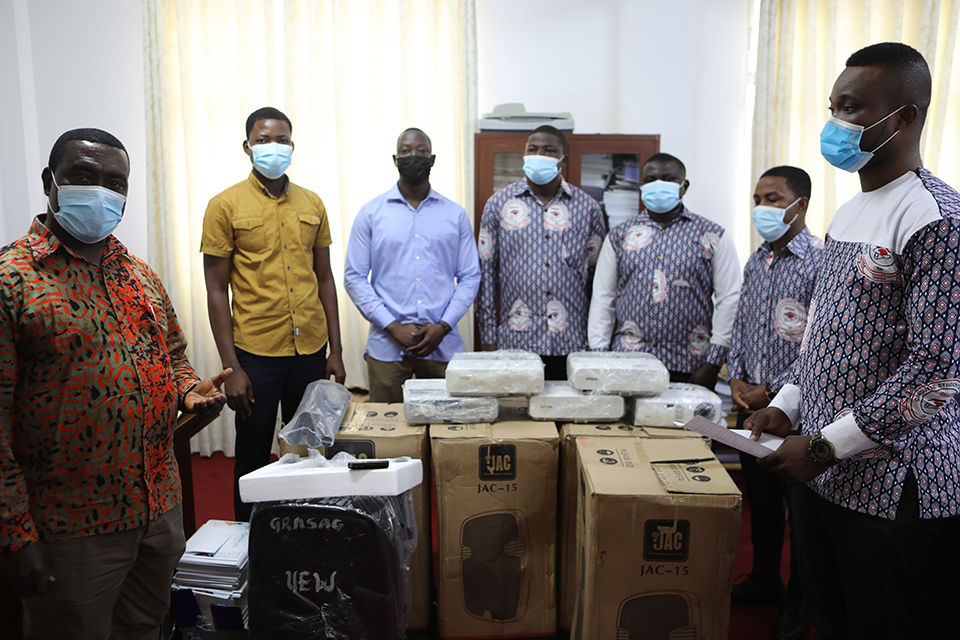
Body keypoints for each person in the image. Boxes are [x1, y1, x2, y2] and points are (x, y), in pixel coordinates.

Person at [749, 42, 960, 640]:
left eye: (852, 108)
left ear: (907, 116)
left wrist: (821, 447)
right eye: (832, 107)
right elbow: (823, 337)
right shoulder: (849, 213)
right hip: (826, 476)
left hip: (894, 488)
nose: (835, 124)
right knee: (832, 619)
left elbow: (936, 376)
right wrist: (785, 408)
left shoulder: (935, 219)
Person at [0, 128, 231, 639]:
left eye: (115, 182)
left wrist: (189, 390)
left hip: (157, 509)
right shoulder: (11, 280)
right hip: (70, 528)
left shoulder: (138, 275)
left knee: (146, 628)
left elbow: (171, 357)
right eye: (83, 177)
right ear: (49, 182)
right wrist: (16, 537)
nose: (100, 191)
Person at [201, 107, 346, 521]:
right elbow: (216, 289)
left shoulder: (312, 202)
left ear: (292, 146)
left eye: (282, 140)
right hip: (256, 354)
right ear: (247, 147)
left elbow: (324, 279)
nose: (273, 148)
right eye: (264, 140)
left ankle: (306, 534)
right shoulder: (224, 205)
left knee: (312, 450)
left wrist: (335, 350)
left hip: (310, 351)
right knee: (252, 455)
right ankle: (249, 542)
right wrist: (232, 369)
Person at [727, 166, 822, 640]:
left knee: (799, 513)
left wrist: (776, 389)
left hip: (798, 411)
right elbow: (742, 327)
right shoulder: (756, 260)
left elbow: (821, 344)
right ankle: (764, 580)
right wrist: (738, 377)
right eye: (757, 198)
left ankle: (798, 602)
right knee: (761, 504)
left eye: (772, 198)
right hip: (753, 410)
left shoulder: (822, 261)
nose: (762, 207)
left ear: (799, 204)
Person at [344, 128, 480, 402]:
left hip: (443, 345)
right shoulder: (371, 213)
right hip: (387, 347)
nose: (413, 156)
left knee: (448, 432)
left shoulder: (454, 214)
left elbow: (470, 277)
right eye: (406, 151)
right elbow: (354, 277)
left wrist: (443, 326)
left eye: (421, 151)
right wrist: (392, 326)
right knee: (389, 432)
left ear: (432, 159)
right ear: (395, 159)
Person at [587, 153, 741, 390]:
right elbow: (603, 299)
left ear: (684, 186)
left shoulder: (712, 236)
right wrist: (599, 356)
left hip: (690, 365)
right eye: (650, 179)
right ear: (640, 187)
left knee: (685, 427)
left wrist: (713, 363)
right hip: (628, 362)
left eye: (668, 179)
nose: (658, 185)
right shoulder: (619, 236)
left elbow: (729, 299)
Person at [477, 125, 606, 380]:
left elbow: (597, 282)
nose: (539, 155)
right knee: (518, 416)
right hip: (516, 340)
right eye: (532, 149)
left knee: (566, 414)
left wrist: (597, 342)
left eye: (548, 150)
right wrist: (489, 339)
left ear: (562, 160)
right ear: (524, 155)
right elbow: (486, 276)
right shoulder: (499, 204)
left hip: (571, 342)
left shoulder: (588, 209)